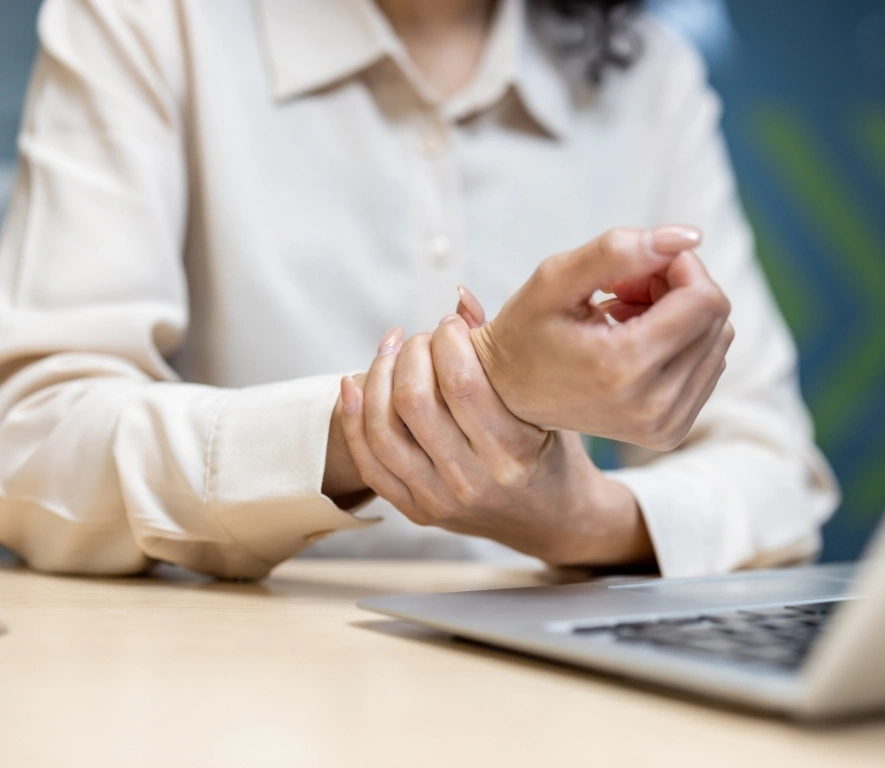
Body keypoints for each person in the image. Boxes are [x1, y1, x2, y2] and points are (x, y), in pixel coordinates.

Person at [0, 0, 838, 580]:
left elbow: (776, 475)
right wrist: (478, 393)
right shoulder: (150, 20)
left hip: (555, 696)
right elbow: (32, 446)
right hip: (225, 684)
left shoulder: (649, 78)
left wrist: (579, 519)